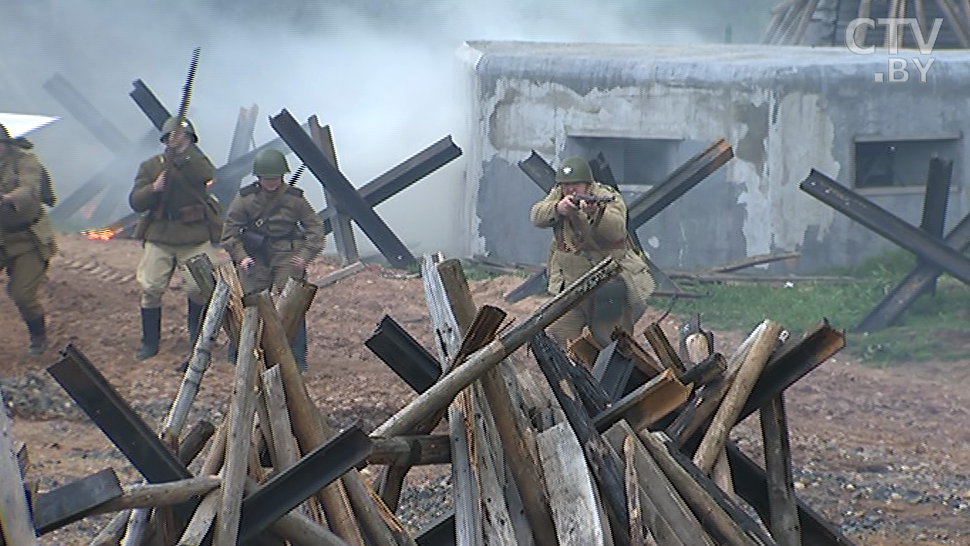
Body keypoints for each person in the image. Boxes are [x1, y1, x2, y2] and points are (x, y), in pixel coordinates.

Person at [530, 155, 656, 348]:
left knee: (612, 342)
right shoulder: (558, 195)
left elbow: (616, 231)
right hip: (570, 284)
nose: (570, 190)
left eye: (576, 185)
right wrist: (558, 208)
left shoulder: (608, 196)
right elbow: (536, 216)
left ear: (588, 184)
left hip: (606, 285)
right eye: (566, 185)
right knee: (562, 333)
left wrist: (596, 213)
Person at [220, 148, 325, 371]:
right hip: (255, 253)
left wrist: (305, 255)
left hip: (286, 252)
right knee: (249, 300)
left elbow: (315, 228)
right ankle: (240, 350)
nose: (271, 183)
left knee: (292, 299)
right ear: (258, 178)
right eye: (267, 179)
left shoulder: (295, 199)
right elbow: (229, 233)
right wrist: (241, 257)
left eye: (275, 178)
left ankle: (297, 356)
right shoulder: (245, 198)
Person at [128, 117, 223, 361]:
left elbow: (204, 174)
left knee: (198, 287)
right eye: (174, 136)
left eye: (184, 137)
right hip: (160, 234)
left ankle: (197, 343)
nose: (178, 139)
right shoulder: (150, 167)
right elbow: (136, 201)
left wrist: (183, 153)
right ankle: (150, 343)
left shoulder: (197, 162)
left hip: (194, 234)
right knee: (151, 287)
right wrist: (154, 188)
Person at [0, 123, 57, 354]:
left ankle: (38, 335)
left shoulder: (25, 161)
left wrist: (7, 198)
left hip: (28, 238)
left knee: (22, 293)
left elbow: (29, 188)